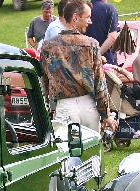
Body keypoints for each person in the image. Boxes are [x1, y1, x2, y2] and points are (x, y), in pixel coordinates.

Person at [40, 0, 117, 133]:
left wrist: (48, 105)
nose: (90, 21)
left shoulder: (48, 46)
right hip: (89, 107)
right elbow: (99, 83)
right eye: (87, 17)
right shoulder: (92, 44)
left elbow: (44, 80)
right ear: (75, 17)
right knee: (92, 153)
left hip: (64, 107)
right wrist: (106, 115)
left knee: (66, 152)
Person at [84, 0, 120, 65]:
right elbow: (112, 37)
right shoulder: (109, 9)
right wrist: (97, 56)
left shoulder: (82, 7)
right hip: (106, 61)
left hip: (84, 61)